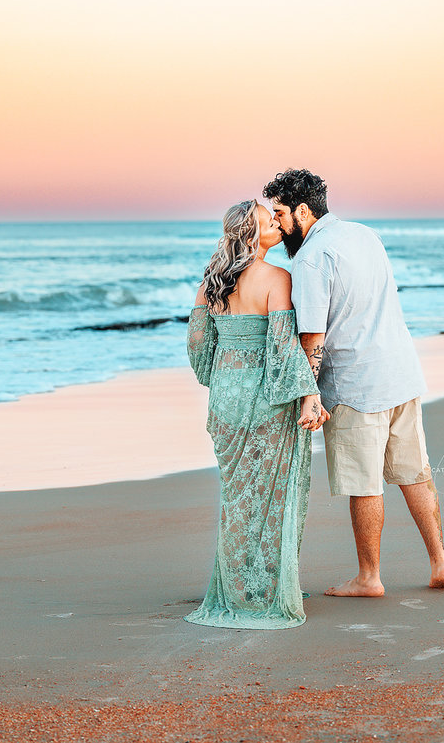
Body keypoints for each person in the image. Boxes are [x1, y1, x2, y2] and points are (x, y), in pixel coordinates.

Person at [263, 169, 444, 597]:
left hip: (355, 384)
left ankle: (369, 577)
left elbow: (312, 336)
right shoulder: (365, 235)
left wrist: (307, 394)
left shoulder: (312, 258)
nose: (276, 224)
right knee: (414, 475)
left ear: (303, 211)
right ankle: (441, 562)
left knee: (363, 483)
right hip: (401, 372)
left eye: (279, 214)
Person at [184, 199, 330, 629]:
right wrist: (308, 395)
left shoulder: (211, 283)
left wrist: (222, 377)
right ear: (251, 234)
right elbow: (284, 349)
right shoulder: (277, 278)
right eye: (270, 222)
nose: (277, 227)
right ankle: (265, 587)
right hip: (265, 398)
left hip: (226, 398)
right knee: (272, 494)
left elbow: (197, 346)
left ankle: (238, 584)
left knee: (238, 496)